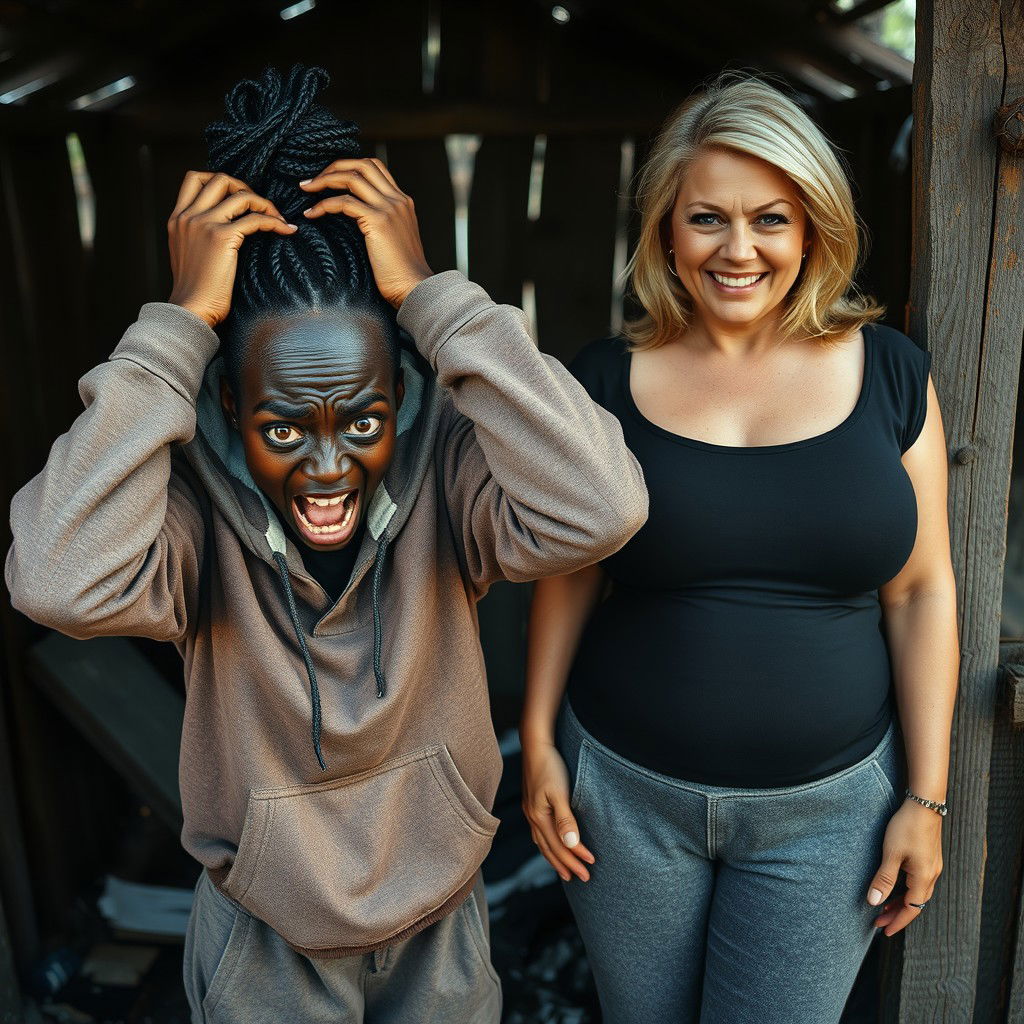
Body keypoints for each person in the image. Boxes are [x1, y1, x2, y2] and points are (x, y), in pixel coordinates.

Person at [5, 65, 647, 1024]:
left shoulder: (448, 473)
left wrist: (437, 298)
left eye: (362, 421)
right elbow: (55, 578)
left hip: (442, 926)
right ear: (227, 404)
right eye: (281, 430)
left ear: (405, 395)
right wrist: (176, 330)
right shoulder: (186, 513)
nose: (326, 467)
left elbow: (602, 507)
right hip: (264, 940)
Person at [520, 72, 959, 1024]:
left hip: (832, 814)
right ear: (667, 234)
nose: (739, 249)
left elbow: (922, 593)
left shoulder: (890, 374)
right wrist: (541, 746)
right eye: (707, 218)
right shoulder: (602, 383)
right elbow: (569, 580)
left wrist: (926, 799)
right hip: (625, 802)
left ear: (812, 232)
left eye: (770, 219)